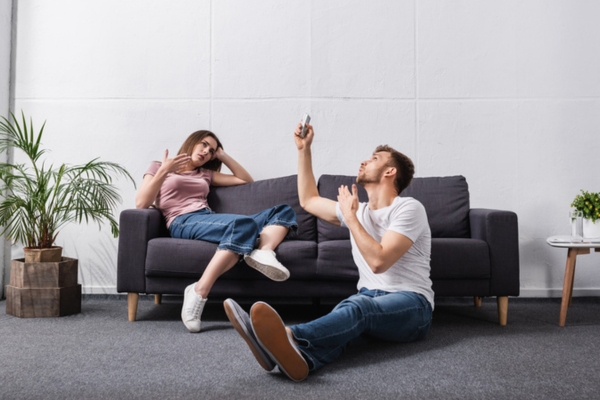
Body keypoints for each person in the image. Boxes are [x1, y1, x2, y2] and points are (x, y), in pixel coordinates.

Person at [224, 122, 434, 381]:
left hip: (413, 306)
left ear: (390, 171)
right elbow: (308, 200)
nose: (364, 161)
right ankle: (298, 360)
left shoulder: (408, 208)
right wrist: (304, 149)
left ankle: (287, 336)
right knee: (346, 323)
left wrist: (351, 217)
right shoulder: (358, 211)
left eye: (374, 158)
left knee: (358, 309)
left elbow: (379, 261)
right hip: (368, 299)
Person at [136, 130, 297, 333]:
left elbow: (245, 179)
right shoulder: (158, 166)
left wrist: (222, 155)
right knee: (244, 225)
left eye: (210, 150)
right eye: (203, 144)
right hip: (182, 220)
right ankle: (199, 290)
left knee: (284, 210)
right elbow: (141, 203)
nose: (206, 151)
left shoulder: (205, 173)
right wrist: (164, 171)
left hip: (207, 216)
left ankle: (264, 251)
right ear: (192, 142)